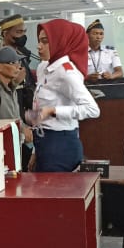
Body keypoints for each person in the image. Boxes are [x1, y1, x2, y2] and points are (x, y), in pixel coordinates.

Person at [30, 20, 100, 172]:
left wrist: (53, 110)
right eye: (39, 41)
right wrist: (35, 151)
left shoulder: (66, 72)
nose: (39, 46)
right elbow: (39, 107)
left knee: (54, 194)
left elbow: (92, 109)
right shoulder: (43, 67)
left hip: (60, 144)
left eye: (45, 41)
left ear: (59, 42)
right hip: (43, 140)